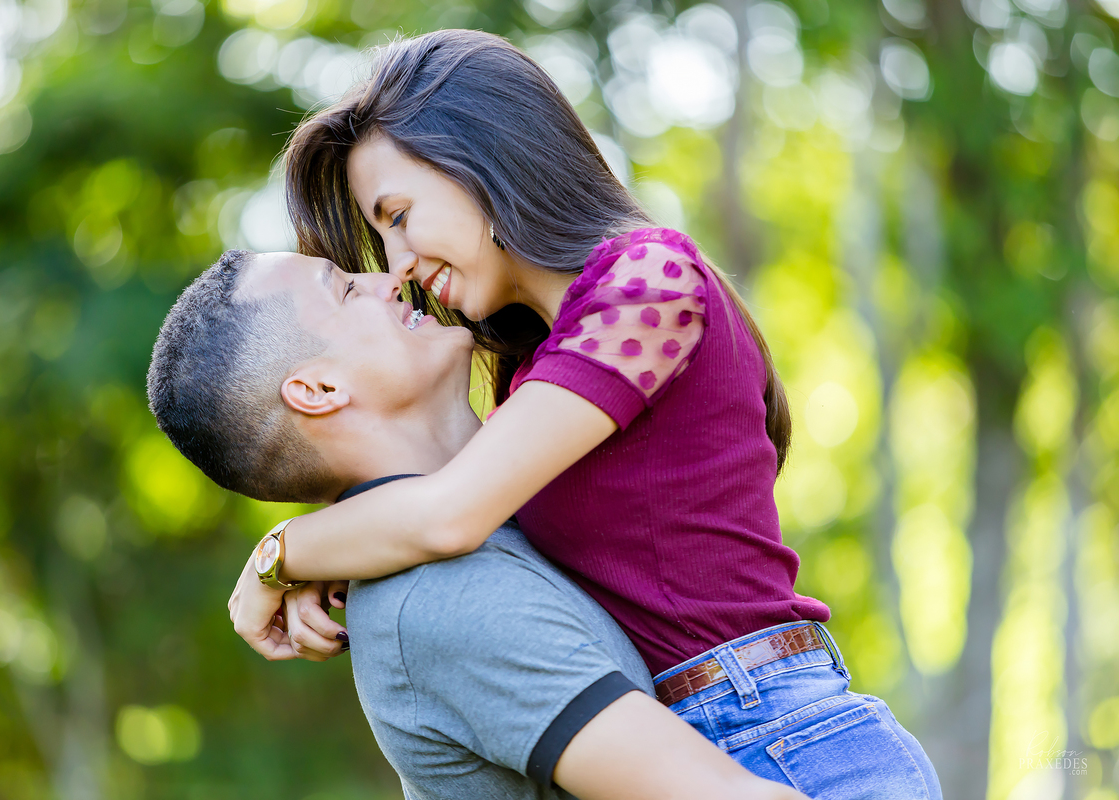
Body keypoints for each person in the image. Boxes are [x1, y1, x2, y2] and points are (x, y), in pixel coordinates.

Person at [234, 29, 943, 800]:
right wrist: (335, 564)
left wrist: (284, 553)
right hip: (701, 733)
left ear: (484, 160)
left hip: (777, 732)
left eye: (399, 215)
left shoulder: (648, 279)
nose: (398, 264)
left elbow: (450, 515)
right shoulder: (533, 370)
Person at [146, 249, 808, 800]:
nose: (389, 278)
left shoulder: (514, 513)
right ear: (318, 391)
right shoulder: (444, 601)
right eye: (345, 289)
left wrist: (294, 552)